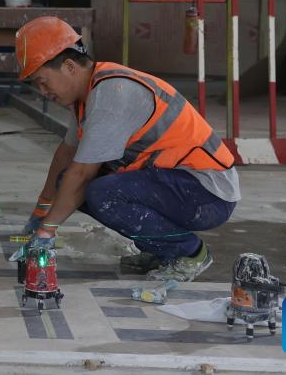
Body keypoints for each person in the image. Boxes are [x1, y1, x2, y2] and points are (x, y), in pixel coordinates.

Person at [13, 16, 240, 282]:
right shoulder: (87, 95)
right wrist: (40, 213)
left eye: (43, 81)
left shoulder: (112, 94)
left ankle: (189, 253)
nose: (42, 92)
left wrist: (45, 233)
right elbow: (66, 155)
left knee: (99, 191)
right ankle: (162, 249)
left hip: (208, 192)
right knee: (72, 182)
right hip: (177, 183)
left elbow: (83, 173)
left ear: (70, 67)